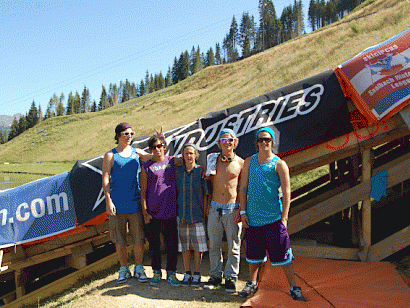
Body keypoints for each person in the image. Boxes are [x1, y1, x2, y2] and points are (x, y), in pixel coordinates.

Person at [237, 127, 306, 302]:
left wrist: (284, 217)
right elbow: (243, 188)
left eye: (267, 140)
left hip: (273, 218)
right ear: (256, 143)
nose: (263, 143)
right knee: (253, 255)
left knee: (284, 254)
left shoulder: (279, 164)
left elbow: (287, 191)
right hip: (253, 218)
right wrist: (242, 211)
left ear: (272, 142)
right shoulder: (249, 162)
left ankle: (293, 286)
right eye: (260, 140)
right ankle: (252, 283)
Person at [102, 122, 150, 284]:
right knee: (120, 239)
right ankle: (123, 269)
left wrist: (161, 140)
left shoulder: (137, 153)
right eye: (126, 134)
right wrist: (108, 201)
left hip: (135, 203)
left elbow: (155, 157)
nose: (129, 136)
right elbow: (105, 178)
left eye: (131, 133)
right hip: (117, 204)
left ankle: (139, 267)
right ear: (118, 136)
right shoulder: (110, 155)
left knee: (138, 238)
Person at [204, 128, 244, 293]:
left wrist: (241, 209)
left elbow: (243, 187)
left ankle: (230, 277)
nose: (227, 143)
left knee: (234, 245)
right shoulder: (213, 161)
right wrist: (207, 207)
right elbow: (206, 183)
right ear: (219, 143)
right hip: (215, 207)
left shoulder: (241, 162)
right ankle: (215, 275)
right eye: (223, 140)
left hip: (232, 208)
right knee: (213, 245)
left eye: (230, 140)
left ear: (235, 142)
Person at [140, 133, 181, 287]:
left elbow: (187, 160)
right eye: (154, 147)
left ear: (164, 147)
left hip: (170, 210)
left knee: (172, 244)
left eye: (160, 146)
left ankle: (171, 272)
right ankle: (156, 271)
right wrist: (145, 212)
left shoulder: (172, 161)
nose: (157, 149)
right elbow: (143, 191)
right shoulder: (146, 166)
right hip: (153, 212)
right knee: (154, 244)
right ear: (150, 149)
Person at [176, 144, 210, 287]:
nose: (189, 156)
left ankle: (197, 273)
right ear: (183, 156)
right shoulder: (178, 173)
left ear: (196, 155)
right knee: (185, 246)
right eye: (186, 154)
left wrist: (205, 211)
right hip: (182, 215)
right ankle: (187, 272)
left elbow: (206, 193)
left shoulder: (201, 172)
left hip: (197, 215)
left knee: (198, 247)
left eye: (191, 153)